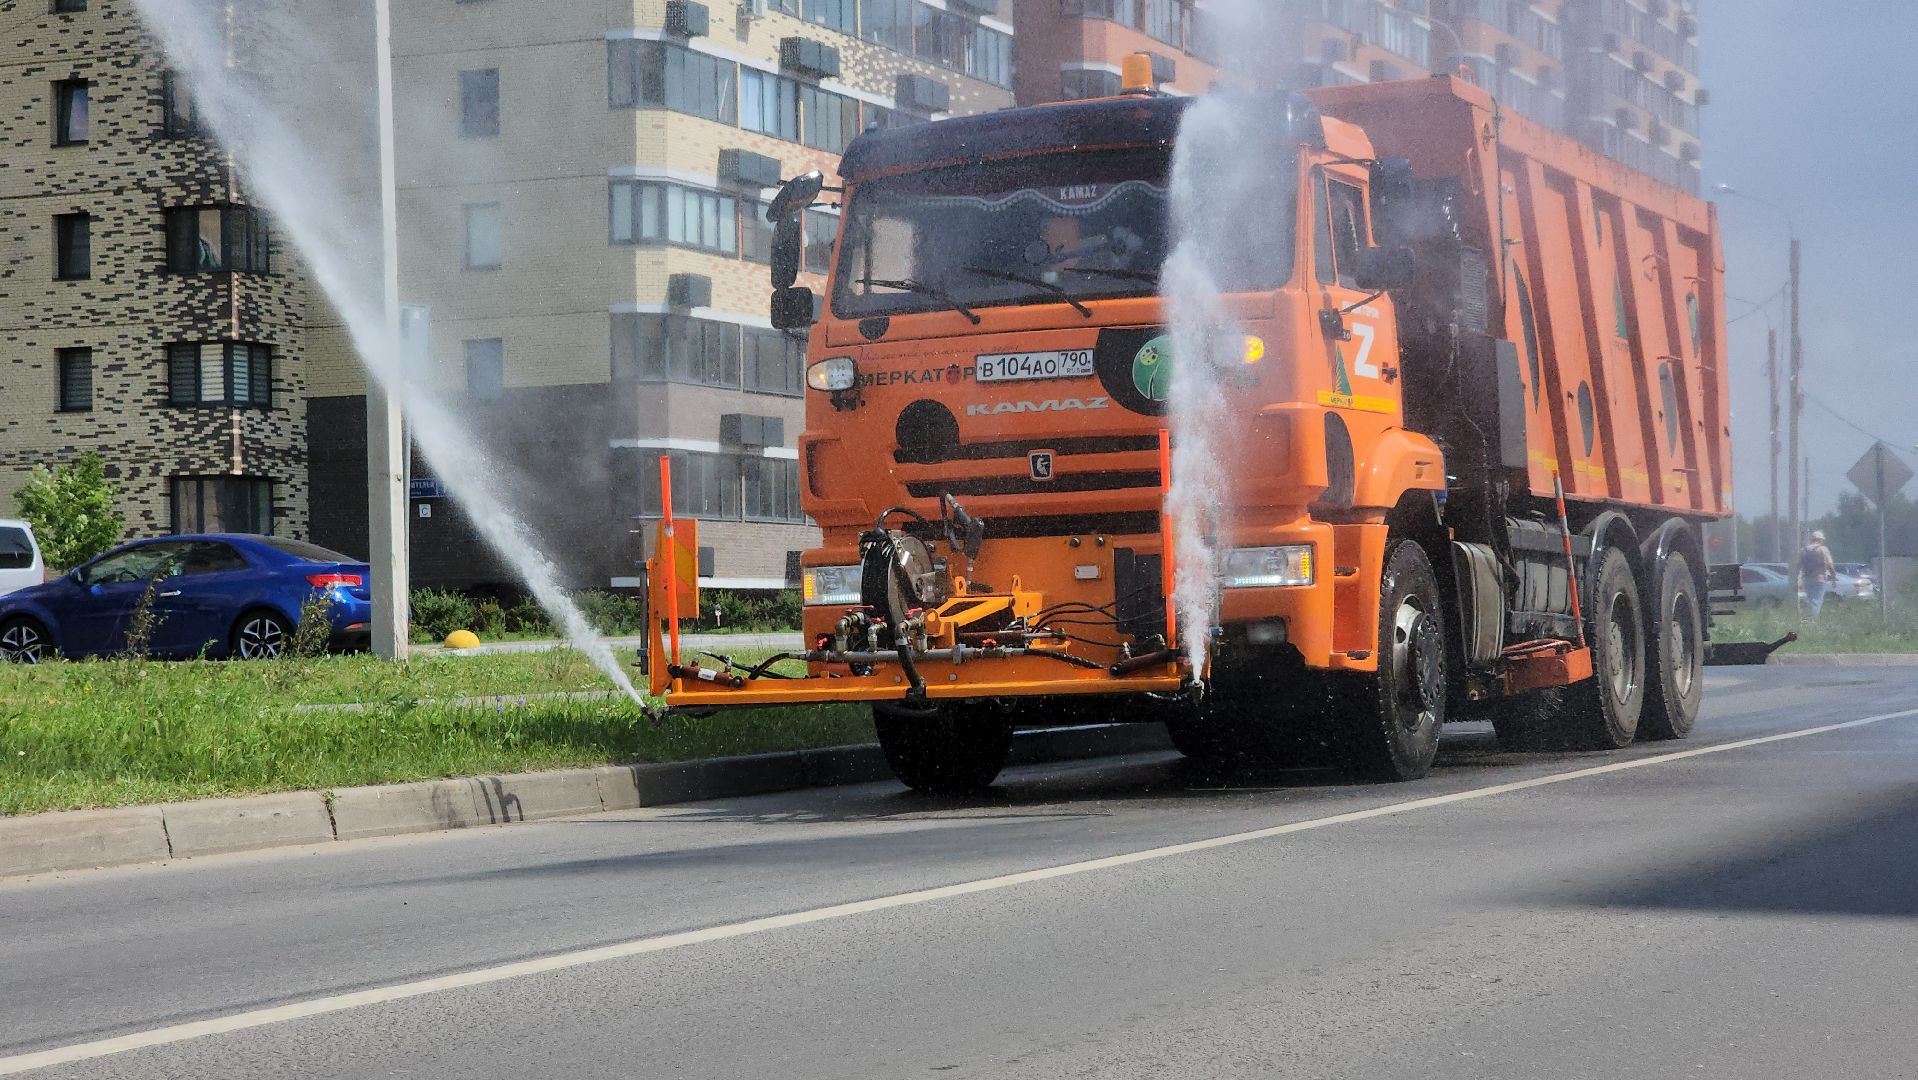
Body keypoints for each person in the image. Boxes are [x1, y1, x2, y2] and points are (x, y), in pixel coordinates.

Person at [1796, 530, 1838, 616]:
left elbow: (1798, 566)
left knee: (1810, 600)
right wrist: (1833, 578)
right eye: (1822, 540)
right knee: (1816, 601)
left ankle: (1808, 618)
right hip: (1819, 579)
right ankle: (1813, 621)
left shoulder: (1803, 550)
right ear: (1820, 540)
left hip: (1807, 579)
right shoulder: (1823, 549)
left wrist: (1798, 580)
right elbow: (1830, 565)